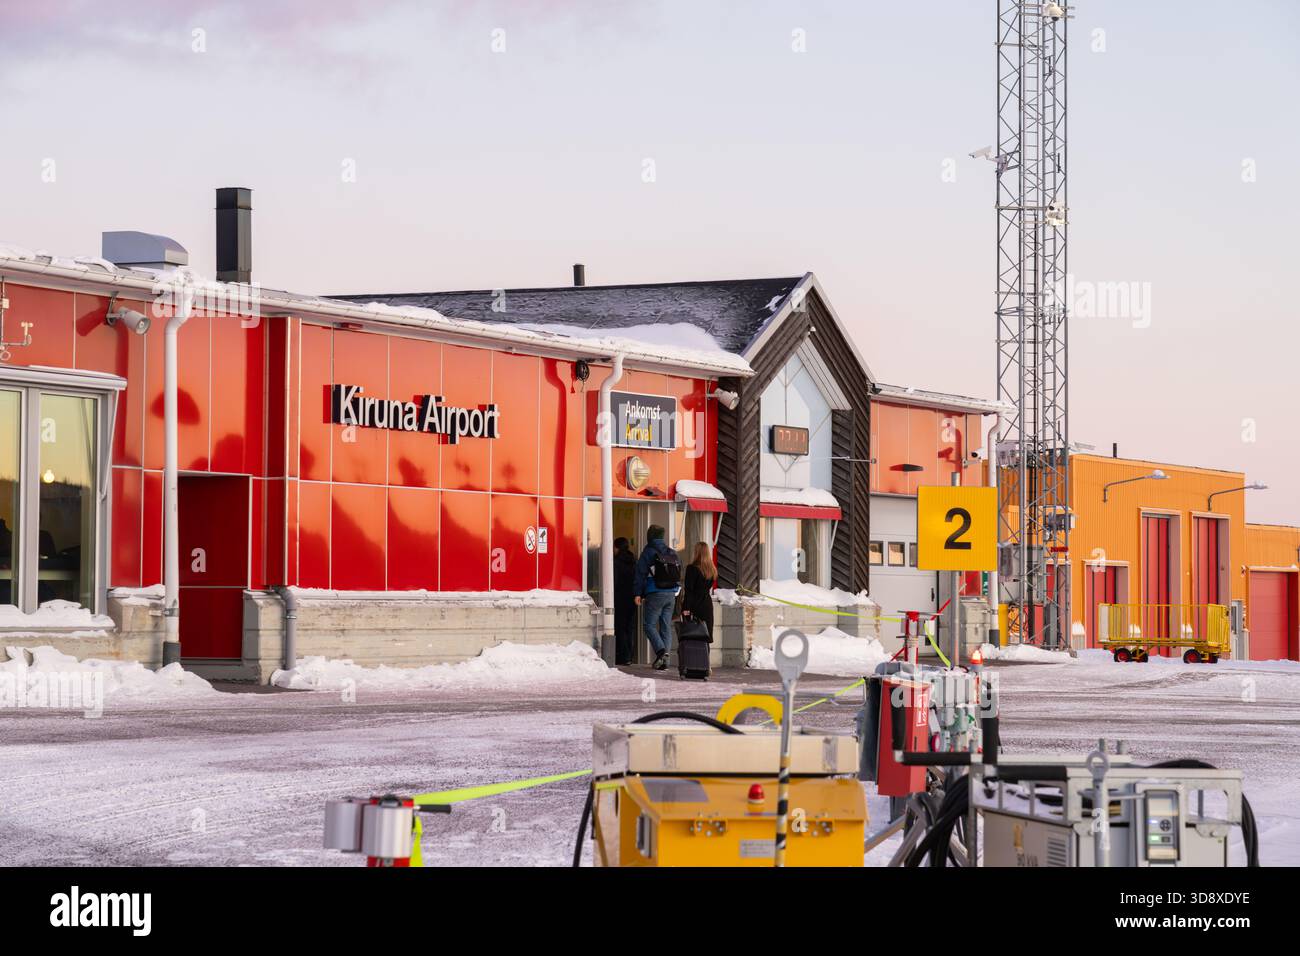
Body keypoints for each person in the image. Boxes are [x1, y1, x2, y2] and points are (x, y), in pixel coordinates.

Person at [633, 524, 681, 670]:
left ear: (650, 536)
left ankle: (661, 653)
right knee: (666, 626)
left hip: (655, 592)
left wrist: (637, 593)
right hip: (671, 593)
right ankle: (664, 662)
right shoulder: (671, 552)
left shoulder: (648, 552)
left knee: (649, 625)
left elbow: (640, 574)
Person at [680, 541, 717, 640]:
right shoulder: (712, 570)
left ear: (697, 552)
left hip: (694, 605)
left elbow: (689, 591)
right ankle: (705, 655)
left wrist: (685, 608)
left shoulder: (692, 569)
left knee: (692, 635)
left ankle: (693, 655)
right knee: (705, 635)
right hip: (707, 605)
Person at [612, 537, 637, 666]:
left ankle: (623, 656)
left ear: (617, 548)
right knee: (629, 628)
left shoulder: (616, 562)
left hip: (620, 598)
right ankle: (629, 656)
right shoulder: (633, 561)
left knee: (620, 628)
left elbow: (614, 582)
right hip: (632, 599)